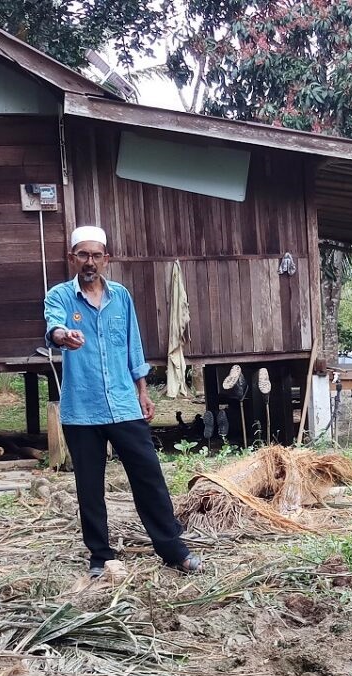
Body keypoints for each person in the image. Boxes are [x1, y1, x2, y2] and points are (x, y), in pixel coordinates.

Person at [45, 225, 203, 576]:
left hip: (123, 404)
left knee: (149, 477)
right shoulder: (59, 296)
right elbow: (53, 328)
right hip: (81, 410)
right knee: (89, 487)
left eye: (96, 255)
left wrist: (143, 391)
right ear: (72, 258)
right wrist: (63, 336)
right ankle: (100, 556)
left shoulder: (121, 297)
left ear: (106, 259)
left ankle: (173, 549)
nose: (90, 262)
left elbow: (133, 347)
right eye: (83, 255)